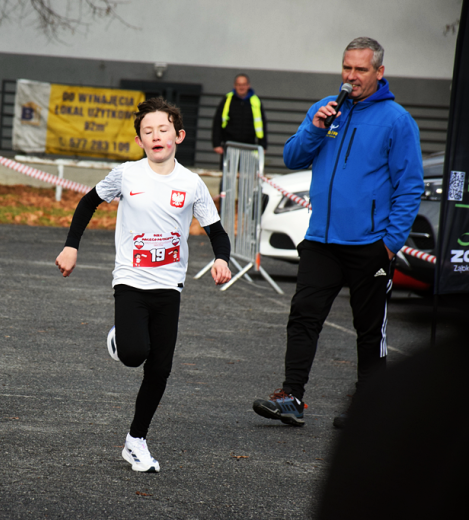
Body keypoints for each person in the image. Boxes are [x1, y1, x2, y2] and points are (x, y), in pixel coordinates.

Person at [251, 37, 423, 428]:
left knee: (368, 329)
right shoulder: (325, 110)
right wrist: (316, 127)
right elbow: (293, 156)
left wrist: (390, 243)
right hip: (321, 242)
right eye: (347, 67)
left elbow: (409, 186)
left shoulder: (397, 121)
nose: (351, 76)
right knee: (303, 317)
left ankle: (369, 406)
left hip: (370, 245)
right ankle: (291, 397)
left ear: (380, 72)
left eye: (361, 69)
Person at [55, 97, 233, 473]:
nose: (156, 136)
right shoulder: (126, 175)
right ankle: (121, 336)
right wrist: (71, 247)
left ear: (178, 136)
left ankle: (136, 440)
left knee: (160, 368)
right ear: (139, 140)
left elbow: (217, 232)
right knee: (135, 354)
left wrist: (221, 258)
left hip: (170, 287)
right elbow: (87, 203)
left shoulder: (192, 184)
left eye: (163, 130)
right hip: (131, 281)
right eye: (147, 131)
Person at [212, 73, 268, 160]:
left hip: (249, 147)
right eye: (239, 85)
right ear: (235, 86)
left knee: (248, 172)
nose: (241, 87)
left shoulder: (255, 101)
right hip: (229, 146)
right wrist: (216, 144)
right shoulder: (227, 100)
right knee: (229, 172)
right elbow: (217, 122)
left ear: (248, 85)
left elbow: (262, 124)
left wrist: (263, 145)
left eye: (244, 84)